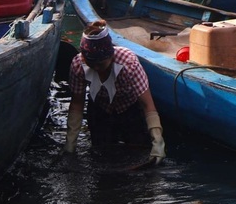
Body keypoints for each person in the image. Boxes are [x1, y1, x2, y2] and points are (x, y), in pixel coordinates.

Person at [64, 20, 166, 165]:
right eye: (92, 64)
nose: (97, 68)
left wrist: (158, 140)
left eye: (101, 64)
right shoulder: (78, 66)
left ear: (111, 56)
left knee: (140, 151)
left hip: (130, 108)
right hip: (100, 108)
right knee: (101, 154)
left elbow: (147, 104)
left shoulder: (128, 63)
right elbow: (76, 104)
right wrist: (70, 143)